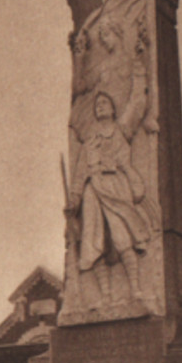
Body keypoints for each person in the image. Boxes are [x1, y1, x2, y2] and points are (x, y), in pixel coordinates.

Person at [67, 88, 155, 307]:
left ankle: (135, 289)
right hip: (93, 194)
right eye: (98, 104)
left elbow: (136, 105)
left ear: (114, 109)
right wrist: (74, 200)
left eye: (105, 102)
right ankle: (105, 296)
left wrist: (138, 77)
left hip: (116, 190)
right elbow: (79, 174)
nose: (101, 106)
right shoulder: (89, 141)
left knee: (122, 238)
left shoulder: (120, 131)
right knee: (93, 244)